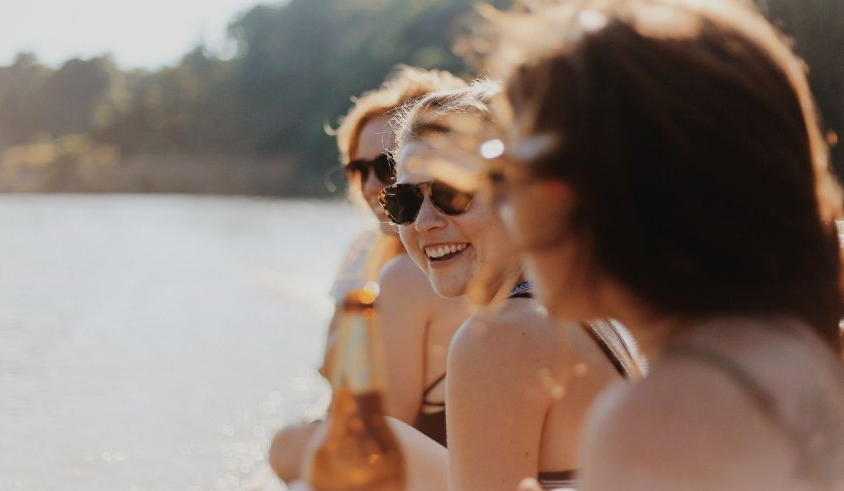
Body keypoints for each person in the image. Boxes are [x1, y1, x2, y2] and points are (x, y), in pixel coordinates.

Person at [465, 0, 844, 489]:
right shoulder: (809, 353)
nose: (497, 201)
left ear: (616, 184)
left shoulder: (658, 417)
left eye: (507, 169)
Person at [377, 80, 645, 491]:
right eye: (405, 202)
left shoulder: (498, 338)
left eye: (452, 194)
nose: (424, 222)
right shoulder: (595, 308)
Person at [268, 66, 472, 484]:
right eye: (358, 170)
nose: (371, 186)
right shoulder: (367, 252)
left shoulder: (434, 272)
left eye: (387, 166)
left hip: (429, 462)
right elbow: (334, 375)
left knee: (289, 448)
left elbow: (380, 433)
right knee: (288, 445)